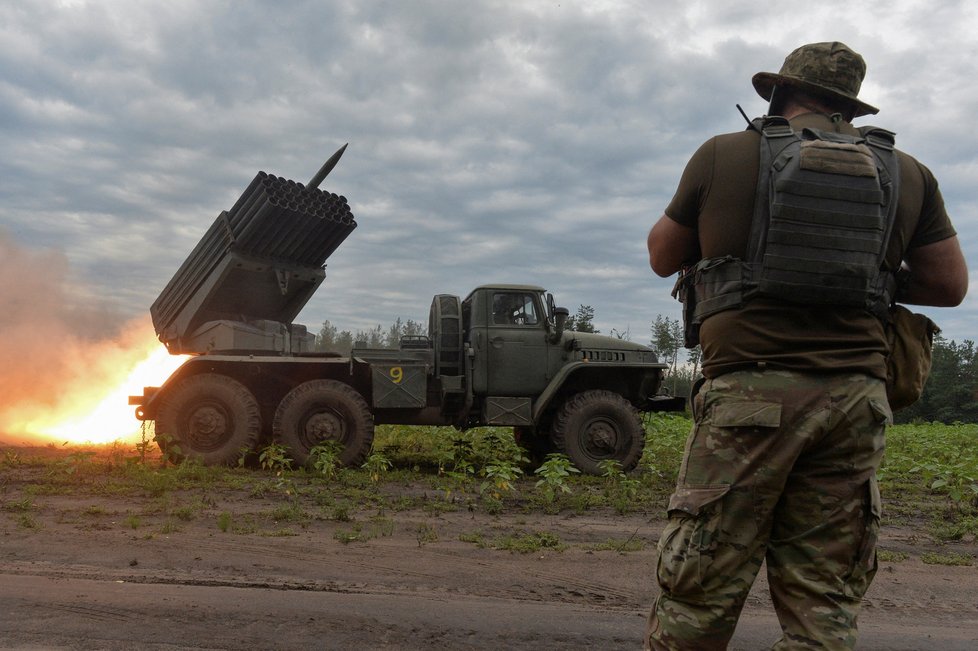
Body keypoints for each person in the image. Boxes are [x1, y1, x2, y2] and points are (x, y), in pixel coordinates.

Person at [644, 42, 968, 650]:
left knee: (700, 591)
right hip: (855, 403)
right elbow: (950, 285)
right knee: (824, 601)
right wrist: (867, 271)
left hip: (748, 399)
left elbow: (663, 256)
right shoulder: (909, 173)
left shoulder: (723, 154)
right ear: (851, 107)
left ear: (780, 92)